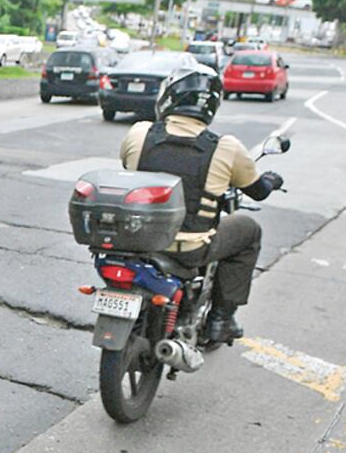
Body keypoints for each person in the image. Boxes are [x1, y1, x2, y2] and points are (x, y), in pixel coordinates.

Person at [118, 65, 284, 342]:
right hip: (189, 249)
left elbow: (127, 164)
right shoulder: (226, 147)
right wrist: (271, 180)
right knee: (249, 230)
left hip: (136, 239)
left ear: (168, 97)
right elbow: (258, 191)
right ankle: (221, 318)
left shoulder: (140, 132)